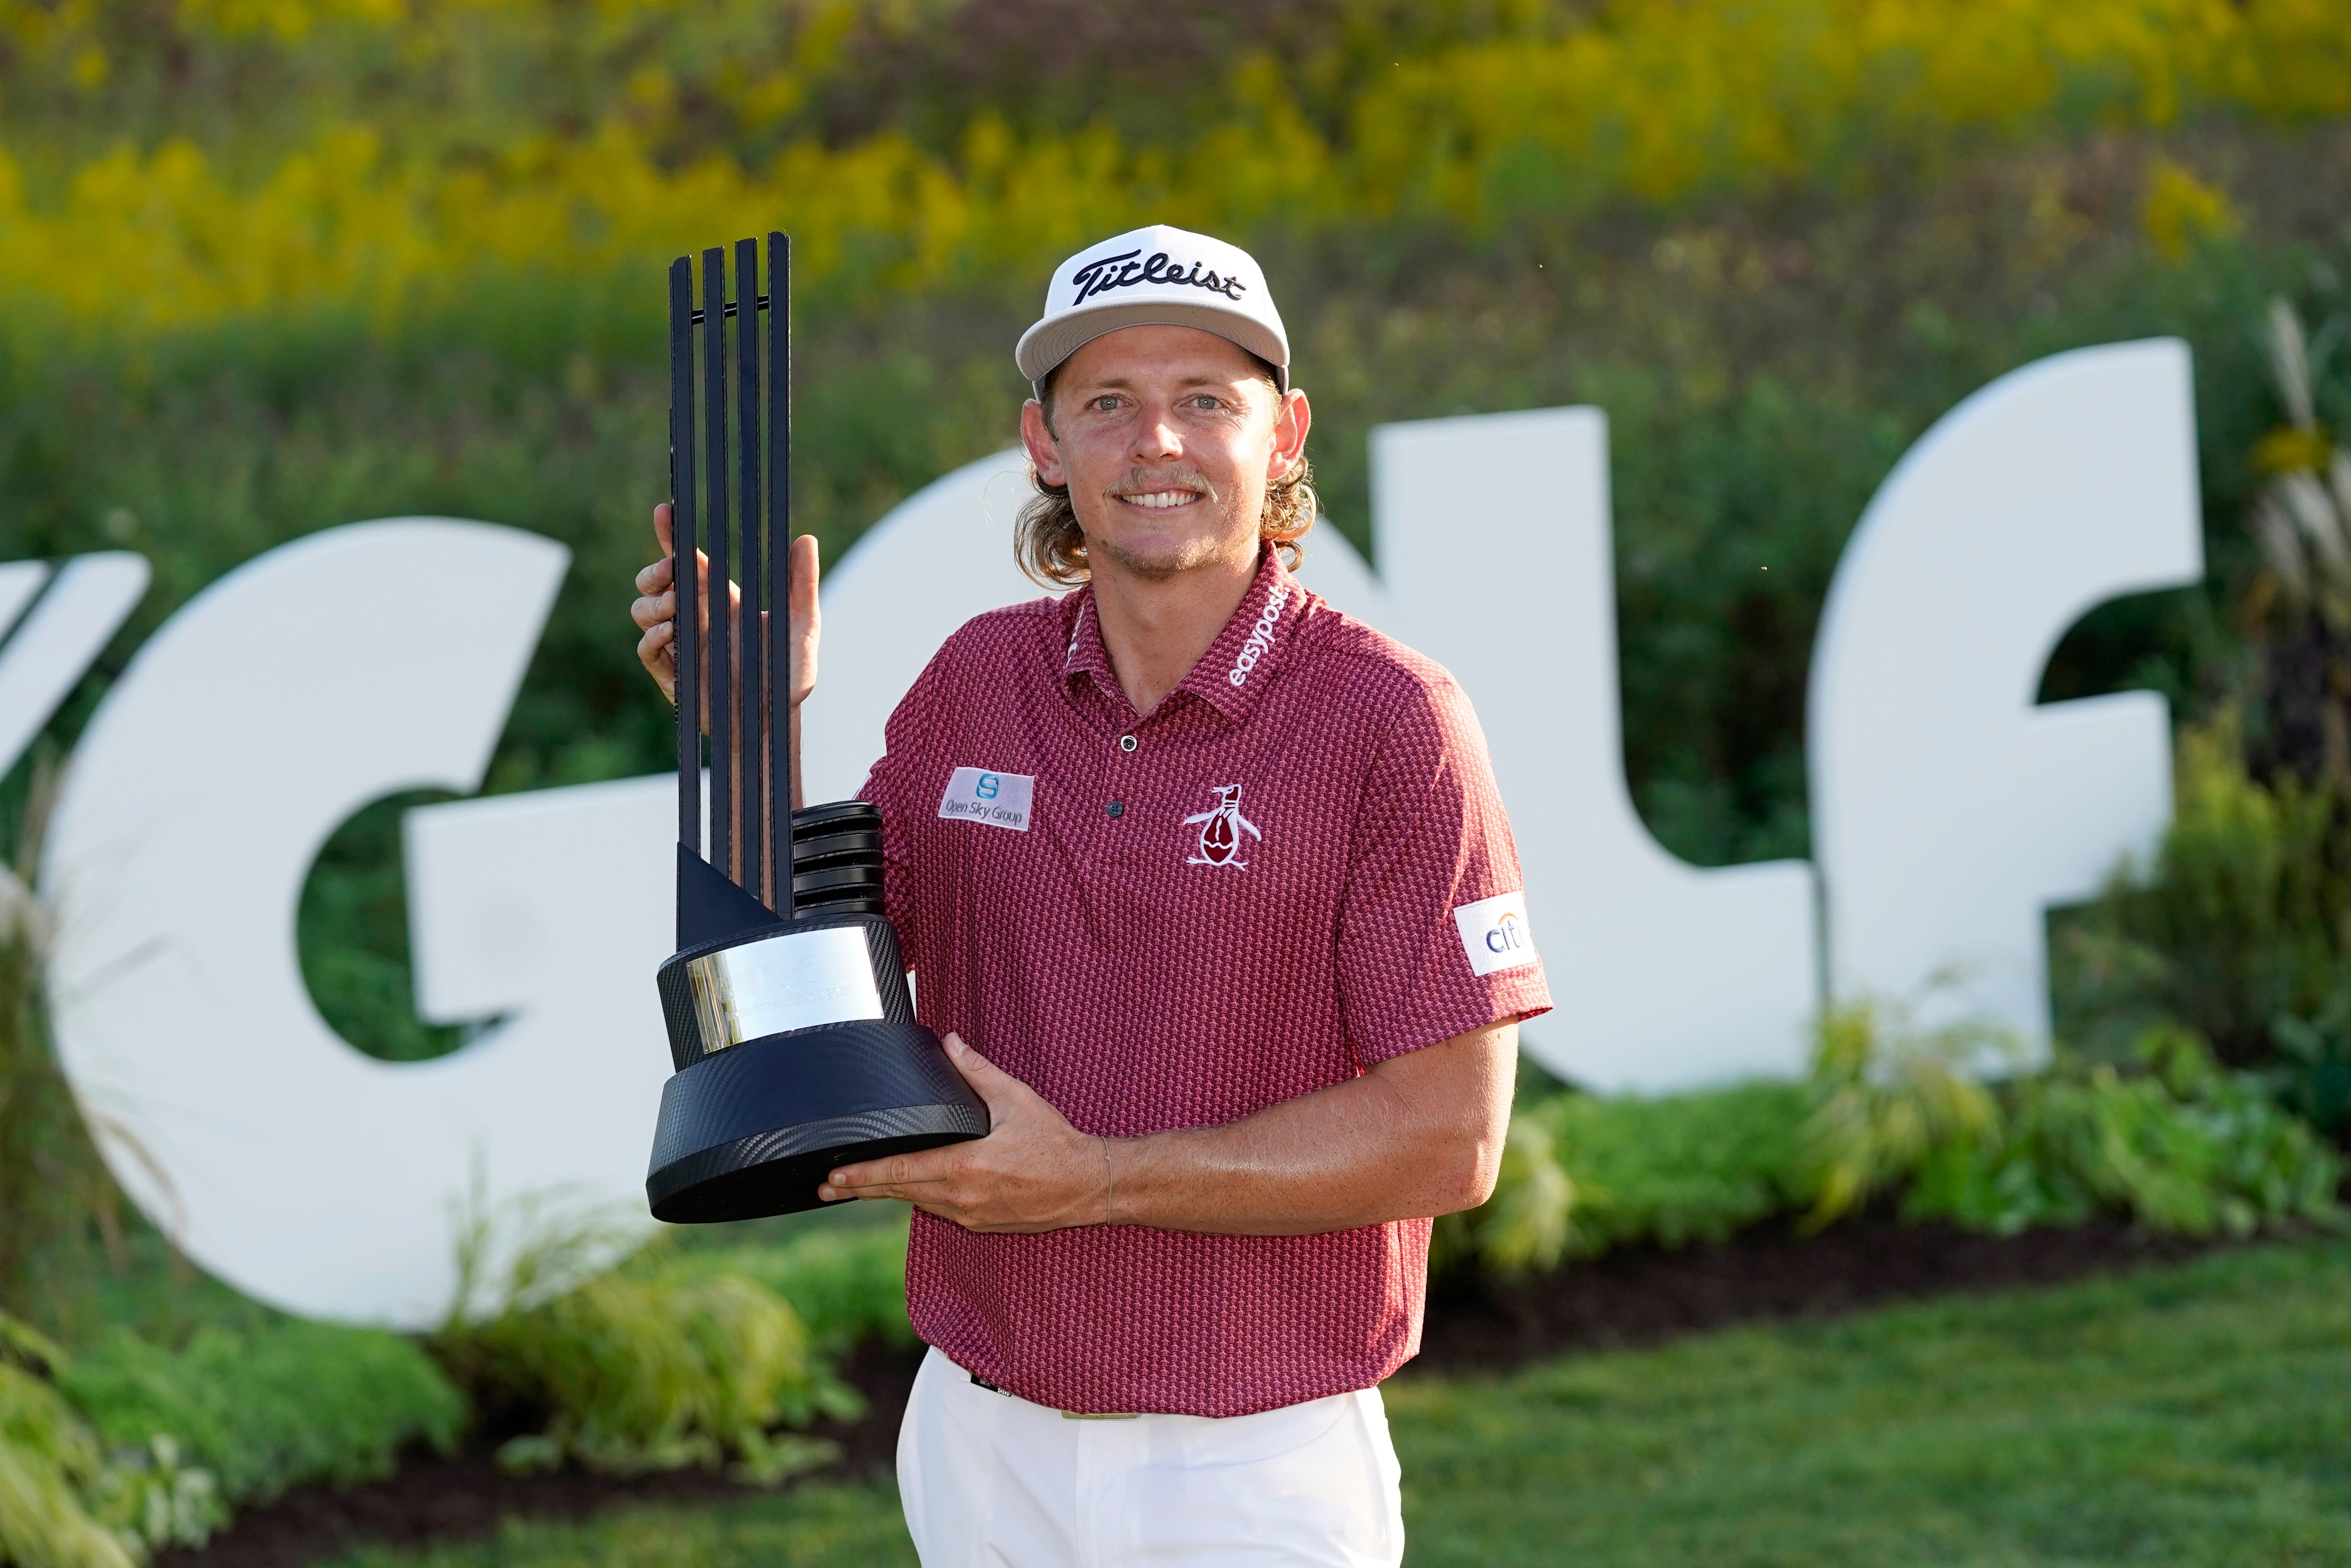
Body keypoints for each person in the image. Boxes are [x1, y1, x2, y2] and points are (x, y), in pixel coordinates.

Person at [631, 224, 1551, 1568]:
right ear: (1045, 443)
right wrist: (752, 734)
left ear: (1284, 434)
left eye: (1205, 403)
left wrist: (1097, 1181)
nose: (1156, 442)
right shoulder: (974, 686)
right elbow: (835, 992)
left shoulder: (1392, 723)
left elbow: (1452, 1141)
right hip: (982, 1440)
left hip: (1256, 1458)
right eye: (1108, 403)